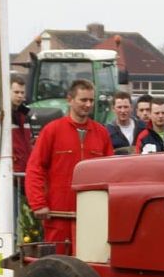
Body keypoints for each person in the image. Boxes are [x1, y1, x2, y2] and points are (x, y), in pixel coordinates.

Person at [25, 80, 114, 245]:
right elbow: (35, 167)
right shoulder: (52, 131)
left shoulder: (101, 133)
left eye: (91, 100)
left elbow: (111, 173)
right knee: (59, 258)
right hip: (58, 214)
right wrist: (38, 203)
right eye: (83, 100)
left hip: (93, 214)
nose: (88, 105)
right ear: (70, 100)